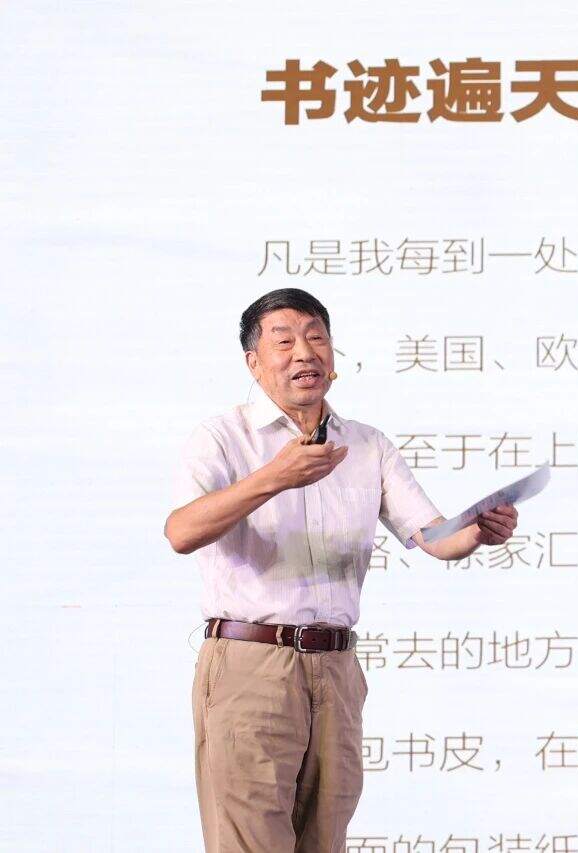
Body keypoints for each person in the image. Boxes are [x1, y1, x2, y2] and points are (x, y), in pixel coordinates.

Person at [165, 287, 518, 852]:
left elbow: (434, 538)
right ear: (254, 362)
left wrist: (477, 530)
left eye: (317, 338)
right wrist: (274, 478)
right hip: (252, 664)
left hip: (336, 669)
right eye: (284, 341)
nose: (304, 352)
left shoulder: (367, 444)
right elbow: (181, 532)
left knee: (325, 838)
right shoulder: (223, 437)